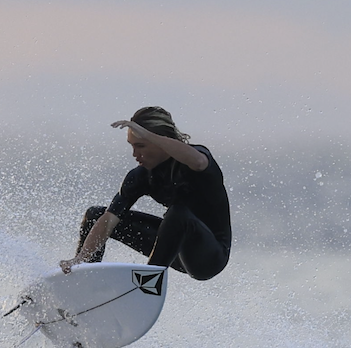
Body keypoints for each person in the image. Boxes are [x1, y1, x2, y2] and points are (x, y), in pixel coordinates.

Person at [60, 107, 231, 280]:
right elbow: (110, 219)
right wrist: (81, 257)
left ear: (160, 141)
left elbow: (199, 162)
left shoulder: (197, 158)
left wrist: (148, 135)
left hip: (209, 256)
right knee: (95, 215)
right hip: (173, 250)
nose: (135, 154)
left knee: (178, 213)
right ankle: (82, 279)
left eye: (140, 146)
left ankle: (148, 281)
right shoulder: (141, 176)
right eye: (132, 146)